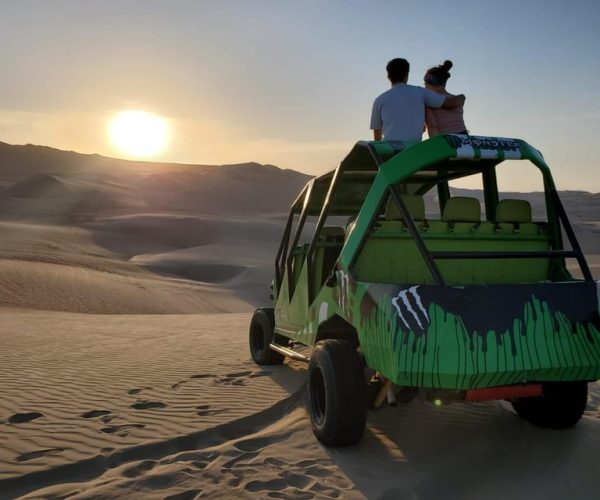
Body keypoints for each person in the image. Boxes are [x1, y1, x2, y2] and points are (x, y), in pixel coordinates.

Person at [370, 58, 465, 142]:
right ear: (406, 75)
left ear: (388, 76)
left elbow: (377, 137)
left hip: (390, 149)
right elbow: (450, 103)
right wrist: (462, 97)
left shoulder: (379, 100)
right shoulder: (420, 93)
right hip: (413, 149)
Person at [424, 60, 468, 136]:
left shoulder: (429, 101)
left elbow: (432, 127)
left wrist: (437, 144)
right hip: (463, 137)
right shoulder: (457, 99)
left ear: (429, 82)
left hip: (447, 140)